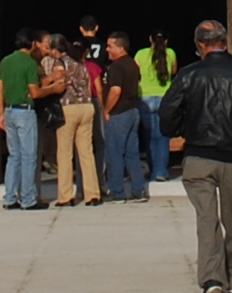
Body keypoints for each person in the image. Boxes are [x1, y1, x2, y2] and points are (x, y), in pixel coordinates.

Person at [160, 18, 232, 293]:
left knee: (206, 219)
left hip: (198, 156)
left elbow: (167, 114)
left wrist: (180, 131)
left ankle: (211, 279)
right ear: (225, 42)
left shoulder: (188, 75)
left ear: (200, 45)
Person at [47, 34, 104, 208]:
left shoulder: (60, 63)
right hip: (86, 107)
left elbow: (59, 83)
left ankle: (66, 196)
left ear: (56, 50)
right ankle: (93, 194)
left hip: (68, 108)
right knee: (86, 152)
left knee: (64, 154)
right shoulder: (81, 64)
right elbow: (87, 87)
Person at [0, 27, 46, 210]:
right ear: (33, 43)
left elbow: (0, 88)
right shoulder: (29, 63)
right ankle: (28, 198)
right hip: (25, 111)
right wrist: (51, 88)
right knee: (28, 156)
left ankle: (9, 197)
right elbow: (35, 92)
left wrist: (1, 113)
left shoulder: (6, 61)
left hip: (9, 110)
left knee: (14, 156)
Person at [97, 29, 148, 200]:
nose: (107, 49)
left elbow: (115, 91)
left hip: (119, 114)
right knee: (131, 153)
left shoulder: (117, 67)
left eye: (110, 46)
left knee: (114, 153)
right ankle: (138, 190)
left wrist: (106, 110)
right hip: (133, 112)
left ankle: (117, 192)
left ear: (121, 48)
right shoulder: (132, 64)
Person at [135, 29, 180, 183]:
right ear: (166, 41)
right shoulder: (171, 53)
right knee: (162, 135)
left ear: (150, 39)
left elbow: (135, 73)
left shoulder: (141, 54)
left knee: (149, 135)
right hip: (164, 97)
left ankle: (153, 169)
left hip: (145, 97)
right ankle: (161, 171)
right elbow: (173, 71)